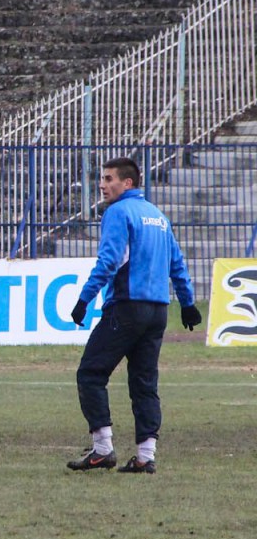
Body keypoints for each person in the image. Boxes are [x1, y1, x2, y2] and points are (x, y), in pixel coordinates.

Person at [67, 157, 200, 474]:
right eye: (102, 178)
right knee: (144, 382)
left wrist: (84, 299)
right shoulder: (158, 216)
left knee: (90, 373)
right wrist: (188, 303)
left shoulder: (118, 212)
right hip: (158, 311)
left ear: (127, 183)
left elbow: (109, 261)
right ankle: (145, 456)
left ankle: (102, 449)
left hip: (127, 306)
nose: (102, 185)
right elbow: (177, 263)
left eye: (108, 178)